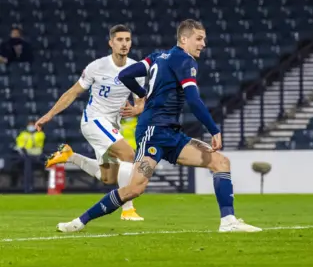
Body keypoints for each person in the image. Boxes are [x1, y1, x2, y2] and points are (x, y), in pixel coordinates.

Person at [55, 19, 261, 233]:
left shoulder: (157, 57)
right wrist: (214, 130)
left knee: (220, 162)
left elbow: (125, 75)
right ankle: (79, 222)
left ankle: (228, 221)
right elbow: (193, 99)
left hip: (170, 132)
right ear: (184, 39)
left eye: (204, 39)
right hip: (154, 132)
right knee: (134, 189)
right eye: (199, 39)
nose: (203, 44)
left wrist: (145, 96)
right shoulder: (185, 60)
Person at [35, 25, 145, 221]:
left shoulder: (137, 69)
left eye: (127, 40)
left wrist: (136, 110)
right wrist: (49, 114)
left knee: (108, 178)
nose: (124, 44)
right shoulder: (97, 66)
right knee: (128, 154)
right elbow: (73, 93)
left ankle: (70, 156)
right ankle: (128, 209)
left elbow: (140, 103)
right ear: (111, 43)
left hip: (111, 125)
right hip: (93, 120)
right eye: (119, 40)